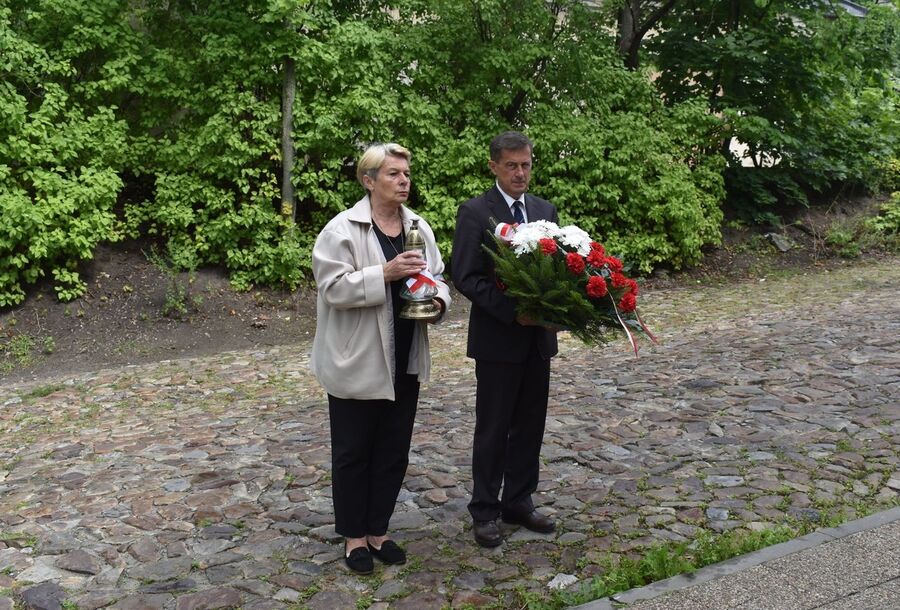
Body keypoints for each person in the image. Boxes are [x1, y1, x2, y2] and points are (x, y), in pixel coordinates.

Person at [310, 142, 451, 574]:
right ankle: (354, 536)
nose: (403, 180)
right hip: (358, 356)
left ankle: (378, 529)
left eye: (406, 173)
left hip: (405, 353)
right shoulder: (341, 230)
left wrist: (439, 301)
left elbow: (437, 276)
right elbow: (331, 288)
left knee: (393, 448)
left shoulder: (418, 226)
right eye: (392, 173)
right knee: (354, 449)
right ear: (368, 181)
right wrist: (383, 274)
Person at [451, 131, 559, 548]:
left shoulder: (544, 210)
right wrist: (514, 311)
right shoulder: (476, 213)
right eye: (512, 165)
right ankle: (484, 508)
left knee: (530, 424)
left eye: (526, 165)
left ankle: (519, 500)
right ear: (494, 165)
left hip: (538, 341)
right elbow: (466, 275)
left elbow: (559, 267)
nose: (520, 173)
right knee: (493, 428)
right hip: (498, 340)